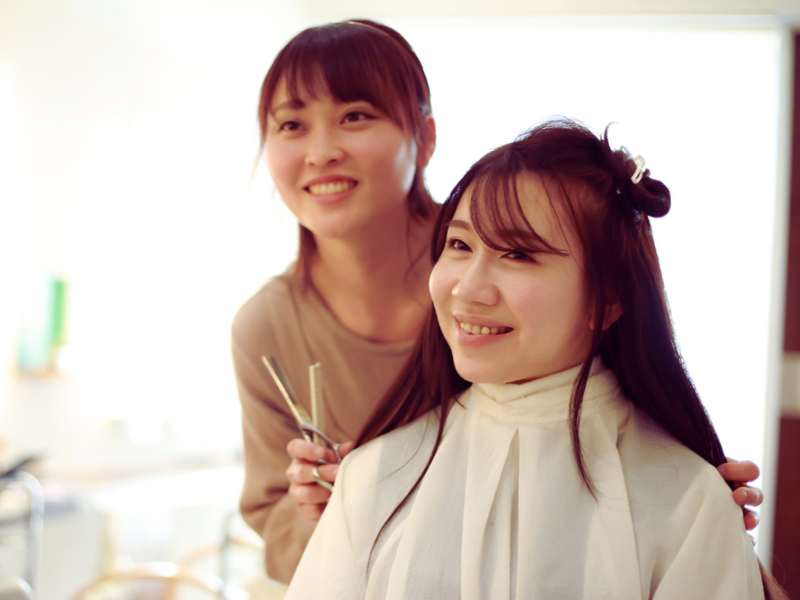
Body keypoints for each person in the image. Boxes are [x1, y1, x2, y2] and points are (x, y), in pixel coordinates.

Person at [232, 20, 764, 585]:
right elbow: (276, 521)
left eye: (355, 116)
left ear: (426, 137)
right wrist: (341, 518)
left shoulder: (505, 254)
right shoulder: (267, 327)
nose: (321, 151)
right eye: (291, 124)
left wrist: (683, 495)